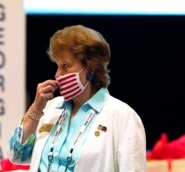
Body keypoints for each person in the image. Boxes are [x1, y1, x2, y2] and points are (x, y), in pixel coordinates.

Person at [8, 25, 146, 172]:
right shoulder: (50, 108)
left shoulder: (123, 116)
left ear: (90, 69)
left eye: (65, 66)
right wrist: (36, 107)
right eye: (57, 66)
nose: (57, 75)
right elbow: (16, 154)